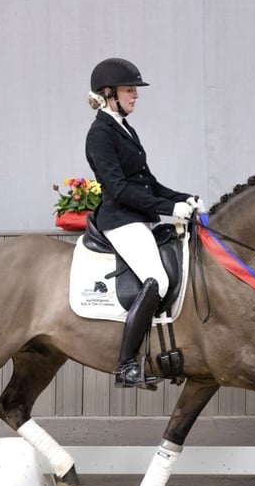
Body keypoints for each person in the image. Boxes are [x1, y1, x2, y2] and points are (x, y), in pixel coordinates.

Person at [85, 58, 204, 388]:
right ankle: (125, 366)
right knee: (157, 280)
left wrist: (184, 198)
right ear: (109, 94)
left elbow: (148, 182)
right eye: (129, 90)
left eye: (135, 90)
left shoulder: (124, 128)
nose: (135, 95)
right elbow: (120, 189)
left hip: (138, 217)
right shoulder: (99, 134)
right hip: (121, 219)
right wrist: (169, 208)